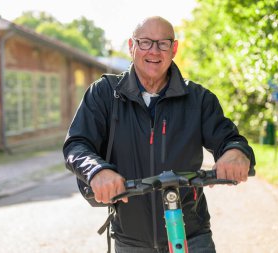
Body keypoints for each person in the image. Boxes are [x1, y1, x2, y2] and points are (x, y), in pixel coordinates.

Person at [63, 16, 255, 253]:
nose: (154, 51)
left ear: (173, 49)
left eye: (163, 43)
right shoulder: (104, 94)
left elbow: (229, 139)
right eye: (145, 42)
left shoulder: (199, 98)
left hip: (192, 236)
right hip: (130, 239)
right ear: (131, 46)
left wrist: (235, 152)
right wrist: (97, 170)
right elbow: (77, 144)